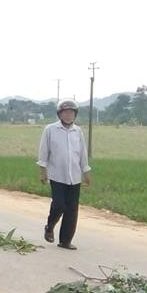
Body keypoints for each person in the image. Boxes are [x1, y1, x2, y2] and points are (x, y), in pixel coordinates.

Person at [37, 99, 92, 250]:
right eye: (65, 112)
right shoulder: (50, 129)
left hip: (74, 176)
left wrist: (86, 172)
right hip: (57, 175)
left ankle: (65, 241)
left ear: (75, 114)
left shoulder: (77, 131)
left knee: (72, 209)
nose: (68, 115)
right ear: (59, 114)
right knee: (59, 204)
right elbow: (44, 151)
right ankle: (50, 226)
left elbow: (82, 154)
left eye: (71, 112)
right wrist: (43, 171)